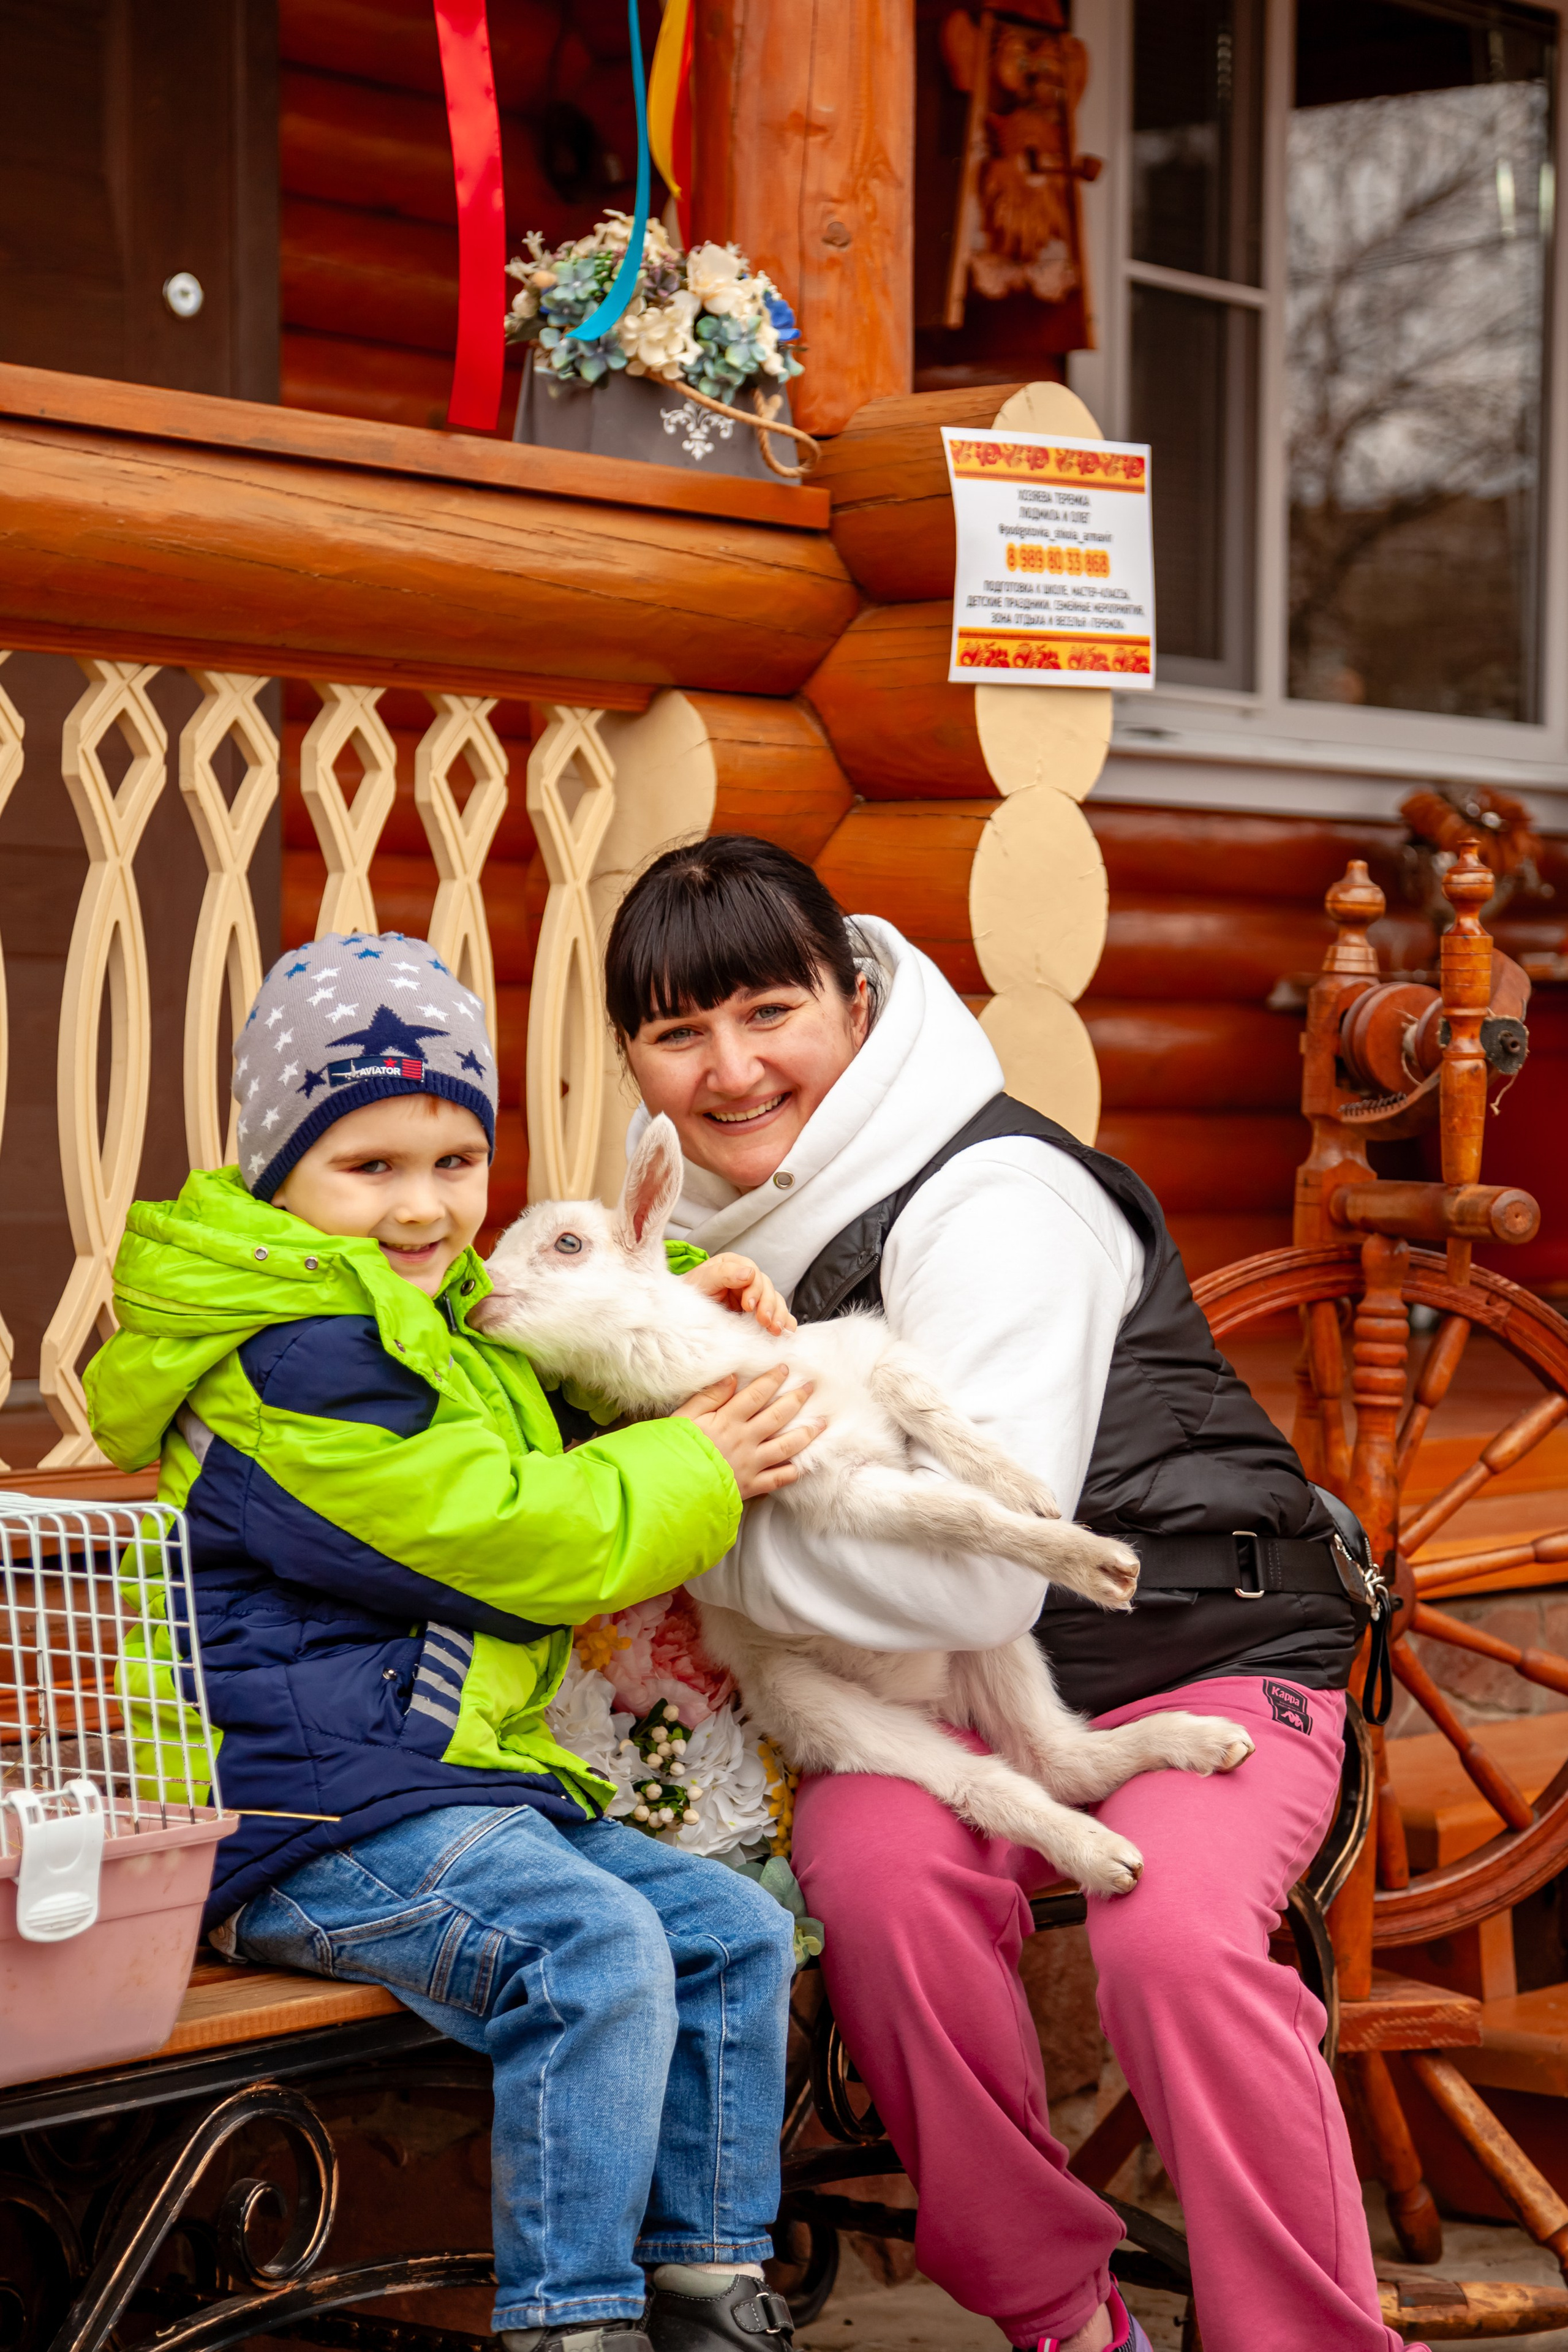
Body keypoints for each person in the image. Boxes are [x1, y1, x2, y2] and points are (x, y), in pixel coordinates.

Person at [603, 835, 1426, 2352]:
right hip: (965, 1694)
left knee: (1172, 1942)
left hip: (1202, 1646)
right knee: (873, 1881)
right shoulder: (725, 1241)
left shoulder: (994, 1196)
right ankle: (1061, 2318)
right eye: (675, 1035)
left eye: (767, 1013)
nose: (727, 1072)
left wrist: (684, 1522)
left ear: (853, 1000)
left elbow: (980, 1571)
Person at [85, 932, 821, 2352]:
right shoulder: (289, 1363)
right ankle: (571, 2322)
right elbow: (505, 1533)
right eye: (369, 1168)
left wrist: (670, 1288)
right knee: (598, 1945)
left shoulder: (408, 1318)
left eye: (452, 1163)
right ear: (274, 1176)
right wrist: (703, 1463)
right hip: (296, 1818)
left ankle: (707, 2289)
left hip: (430, 1792)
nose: (423, 1210)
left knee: (730, 1928)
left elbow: (537, 1363)